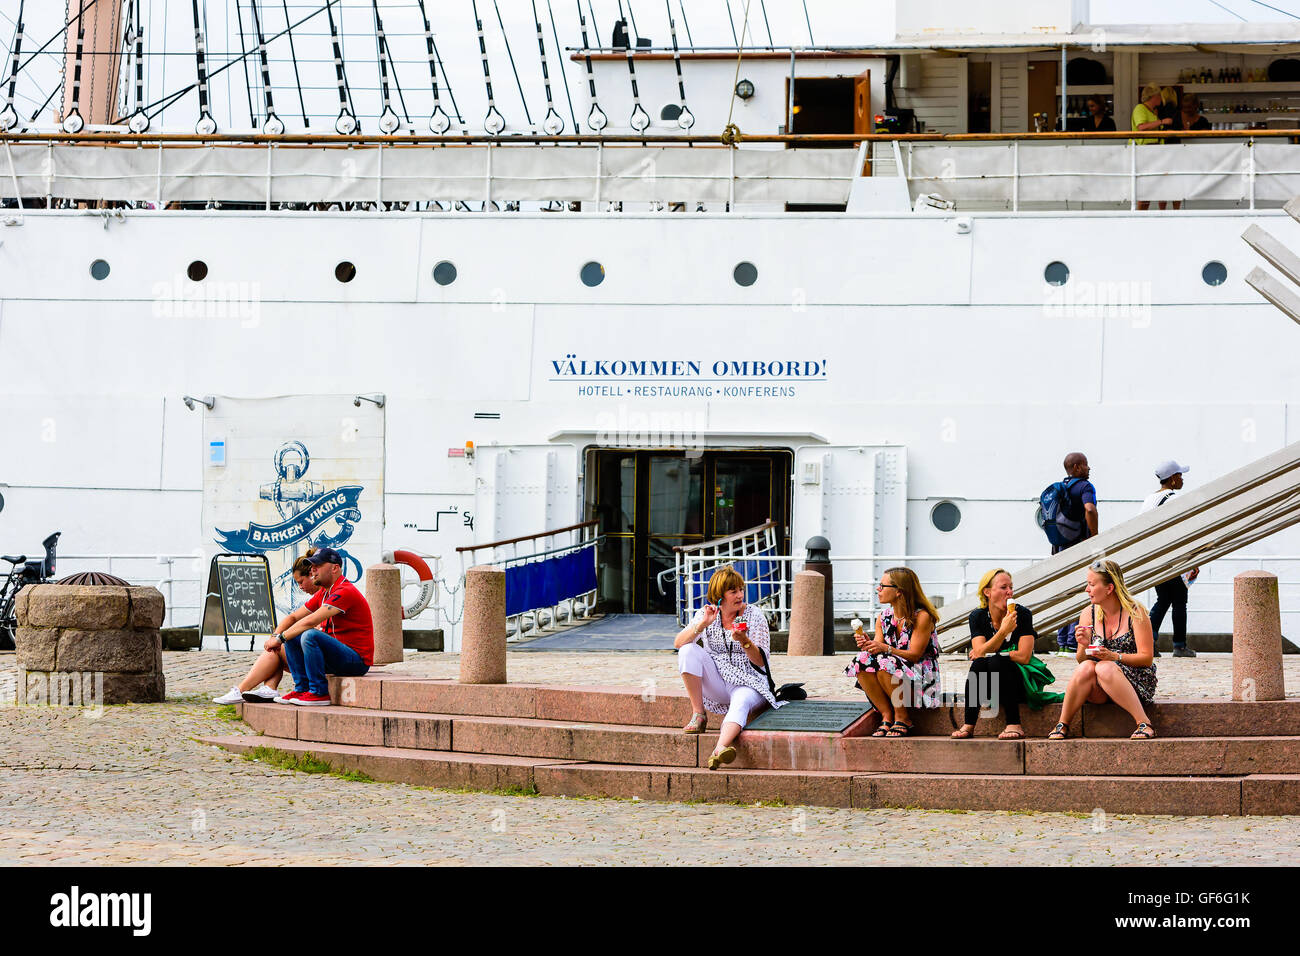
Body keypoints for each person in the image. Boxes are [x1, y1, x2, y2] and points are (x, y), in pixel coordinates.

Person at [675, 565, 784, 769]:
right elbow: (678, 643)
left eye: (741, 589)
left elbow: (761, 662)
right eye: (733, 591)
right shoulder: (706, 614)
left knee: (741, 701)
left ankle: (719, 749)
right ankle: (699, 714)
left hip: (749, 680)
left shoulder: (754, 615)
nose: (740, 595)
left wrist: (745, 641)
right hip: (718, 681)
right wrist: (703, 624)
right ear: (719, 596)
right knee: (687, 651)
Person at [1048, 559, 1158, 741]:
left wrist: (1114, 656)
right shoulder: (1088, 613)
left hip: (1136, 681)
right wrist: (1084, 643)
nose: (1087, 589)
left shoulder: (1135, 612)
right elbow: (1082, 660)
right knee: (1087, 668)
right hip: (1099, 685)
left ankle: (1144, 723)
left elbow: (1146, 658)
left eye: (1091, 584)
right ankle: (1063, 724)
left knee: (1104, 666)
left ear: (1109, 588)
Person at [844, 567, 942, 737]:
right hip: (892, 677)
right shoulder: (883, 617)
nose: (878, 589)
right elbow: (877, 652)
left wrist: (886, 649)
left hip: (921, 680)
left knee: (885, 662)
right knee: (862, 660)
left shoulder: (922, 616)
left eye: (882, 586)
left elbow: (915, 655)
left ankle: (903, 717)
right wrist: (869, 644)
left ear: (899, 591)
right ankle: (887, 715)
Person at [213, 551, 321, 704]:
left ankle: (243, 690)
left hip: (321, 655)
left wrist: (279, 639)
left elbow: (307, 624)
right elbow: (293, 617)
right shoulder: (320, 596)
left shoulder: (327, 595)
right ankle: (267, 688)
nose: (300, 587)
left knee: (278, 647)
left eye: (301, 581)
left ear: (312, 575)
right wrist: (275, 636)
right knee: (276, 645)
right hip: (315, 651)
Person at [272, 547, 373, 706]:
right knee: (293, 636)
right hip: (337, 656)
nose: (313, 570)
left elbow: (310, 621)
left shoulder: (345, 591)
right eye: (312, 567)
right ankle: (301, 689)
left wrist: (279, 638)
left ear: (335, 568)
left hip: (356, 661)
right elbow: (295, 617)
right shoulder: (324, 593)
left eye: (317, 566)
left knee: (309, 634)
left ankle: (319, 693)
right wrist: (279, 636)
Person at [951, 569, 1041, 740]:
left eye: (1011, 587)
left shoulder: (1022, 614)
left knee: (996, 661)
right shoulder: (977, 616)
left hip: (1020, 681)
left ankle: (1014, 724)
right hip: (991, 685)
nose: (1009, 592)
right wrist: (1003, 632)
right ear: (987, 592)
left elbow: (1024, 656)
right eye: (1003, 587)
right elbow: (978, 653)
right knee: (979, 664)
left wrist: (991, 653)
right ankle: (969, 724)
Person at [1140, 460, 1200, 658]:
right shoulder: (1174, 499)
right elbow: (1183, 531)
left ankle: (1149, 640)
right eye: (1180, 475)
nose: (1182, 479)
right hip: (1172, 558)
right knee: (1180, 601)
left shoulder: (1149, 500)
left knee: (1164, 598)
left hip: (1154, 558)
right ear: (1173, 478)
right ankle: (1179, 645)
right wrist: (1193, 560)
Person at [1052, 452, 1099, 651]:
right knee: (1082, 590)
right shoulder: (1085, 486)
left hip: (1061, 547)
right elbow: (1090, 509)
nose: (1089, 468)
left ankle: (1062, 642)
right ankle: (1072, 642)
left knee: (1065, 592)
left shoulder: (1062, 488)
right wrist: (1095, 536)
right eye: (1086, 465)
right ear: (1077, 467)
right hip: (1079, 546)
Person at [1132, 83, 1174, 210]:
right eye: (1159, 96)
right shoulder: (1140, 108)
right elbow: (1141, 127)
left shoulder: (1151, 111)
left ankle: (1159, 213)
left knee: (1158, 184)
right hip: (1144, 152)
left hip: (1154, 151)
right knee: (1145, 187)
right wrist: (1162, 122)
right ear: (1154, 97)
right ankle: (1140, 216)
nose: (1161, 99)